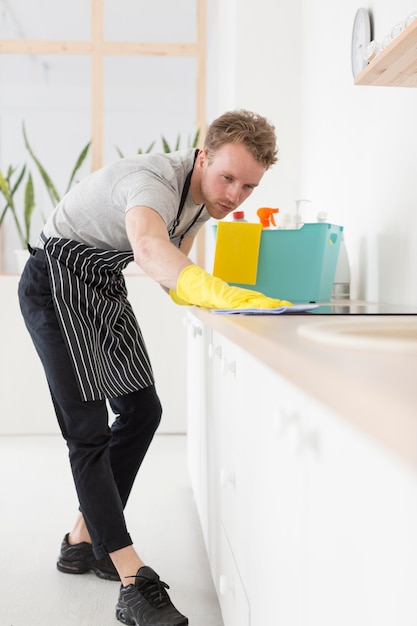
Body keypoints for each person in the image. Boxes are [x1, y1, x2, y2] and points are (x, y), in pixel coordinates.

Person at [18, 109, 291, 626]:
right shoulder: (152, 182)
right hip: (54, 281)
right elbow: (148, 247)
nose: (234, 195)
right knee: (87, 432)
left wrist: (229, 309)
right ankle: (131, 578)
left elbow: (173, 270)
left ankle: (81, 541)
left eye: (248, 186)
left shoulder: (205, 199)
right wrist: (215, 289)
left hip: (100, 285)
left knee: (143, 410)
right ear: (203, 155)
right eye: (227, 178)